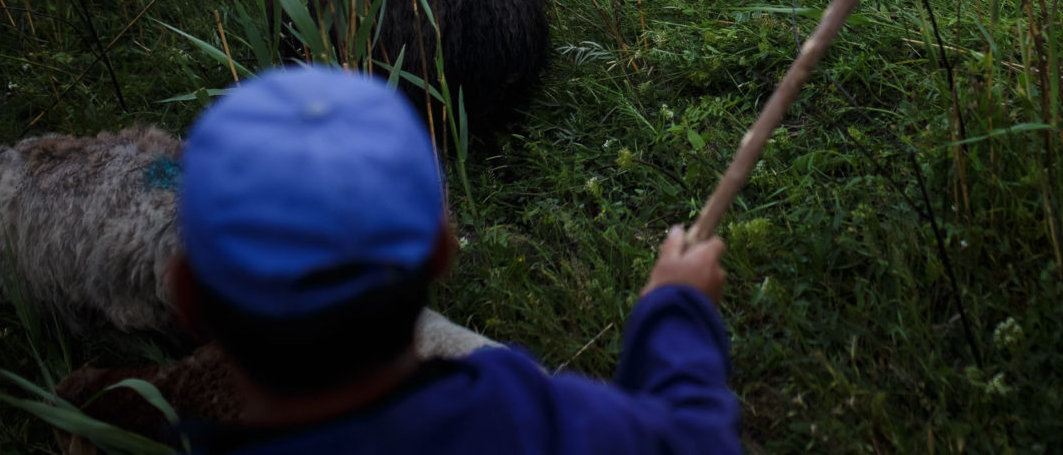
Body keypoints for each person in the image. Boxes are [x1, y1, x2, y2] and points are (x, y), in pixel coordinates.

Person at [167, 64, 740, 453]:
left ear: (186, 297)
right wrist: (677, 313)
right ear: (443, 249)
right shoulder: (520, 414)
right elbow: (691, 437)